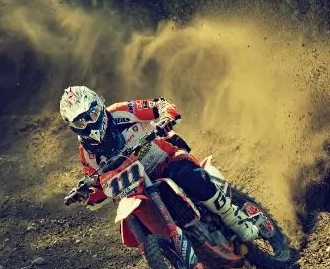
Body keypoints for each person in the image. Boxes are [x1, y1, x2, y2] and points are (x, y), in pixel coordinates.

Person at [60, 85, 259, 242]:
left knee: (185, 174)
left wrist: (166, 118)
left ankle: (235, 219)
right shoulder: (87, 153)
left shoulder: (121, 112)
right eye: (80, 123)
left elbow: (161, 105)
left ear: (99, 107)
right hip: (139, 189)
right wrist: (87, 195)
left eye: (91, 116)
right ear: (72, 127)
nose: (88, 125)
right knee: (138, 218)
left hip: (165, 160)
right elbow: (98, 185)